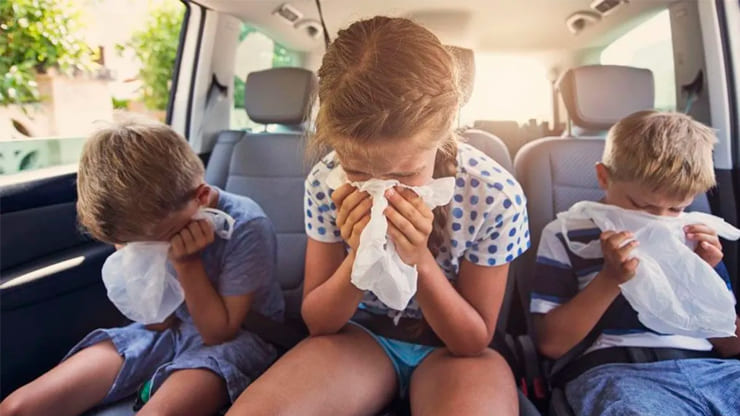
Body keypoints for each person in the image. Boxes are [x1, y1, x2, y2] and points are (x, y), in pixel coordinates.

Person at [228, 16, 529, 416]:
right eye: (358, 171)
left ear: (446, 125)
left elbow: (472, 341)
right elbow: (319, 322)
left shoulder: (495, 195)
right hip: (359, 336)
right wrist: (358, 256)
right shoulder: (325, 182)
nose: (381, 189)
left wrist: (417, 258)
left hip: (453, 353)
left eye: (405, 174)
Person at [0, 119, 284, 416]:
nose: (146, 250)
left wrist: (187, 264)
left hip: (239, 339)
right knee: (16, 408)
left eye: (155, 241)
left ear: (200, 198)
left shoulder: (247, 225)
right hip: (169, 330)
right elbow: (156, 322)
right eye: (133, 245)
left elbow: (218, 334)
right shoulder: (136, 226)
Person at [530, 110, 740, 415]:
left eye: (677, 208)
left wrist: (700, 275)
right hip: (619, 371)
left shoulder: (694, 236)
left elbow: (730, 345)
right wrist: (610, 278)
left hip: (711, 369)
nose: (658, 219)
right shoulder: (568, 235)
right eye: (642, 206)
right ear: (603, 177)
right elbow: (551, 344)